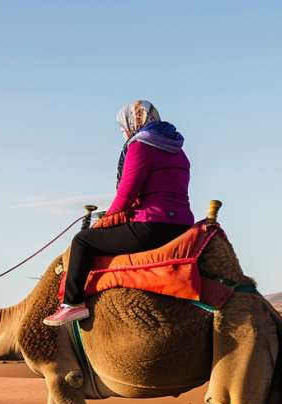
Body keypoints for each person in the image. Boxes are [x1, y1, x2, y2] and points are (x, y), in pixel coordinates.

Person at [44, 100, 195, 327]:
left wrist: (106, 220)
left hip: (152, 226)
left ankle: (72, 304)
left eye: (123, 127)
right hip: (182, 226)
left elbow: (126, 195)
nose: (123, 132)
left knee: (83, 241)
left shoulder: (141, 146)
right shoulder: (177, 149)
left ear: (134, 121)